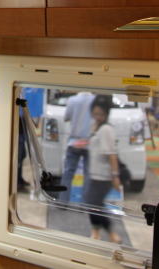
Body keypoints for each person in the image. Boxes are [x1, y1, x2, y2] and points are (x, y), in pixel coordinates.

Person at [81, 94, 122, 243]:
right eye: (95, 113)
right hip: (95, 174)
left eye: (101, 114)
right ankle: (97, 232)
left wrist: (115, 176)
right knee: (94, 204)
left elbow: (112, 154)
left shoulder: (106, 129)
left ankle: (110, 234)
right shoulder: (97, 127)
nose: (97, 116)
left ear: (106, 113)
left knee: (93, 203)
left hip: (103, 176)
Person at [60, 90, 95, 202]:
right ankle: (86, 204)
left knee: (68, 173)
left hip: (74, 142)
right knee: (88, 174)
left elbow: (66, 118)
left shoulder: (72, 100)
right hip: (89, 143)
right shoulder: (95, 100)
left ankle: (63, 201)